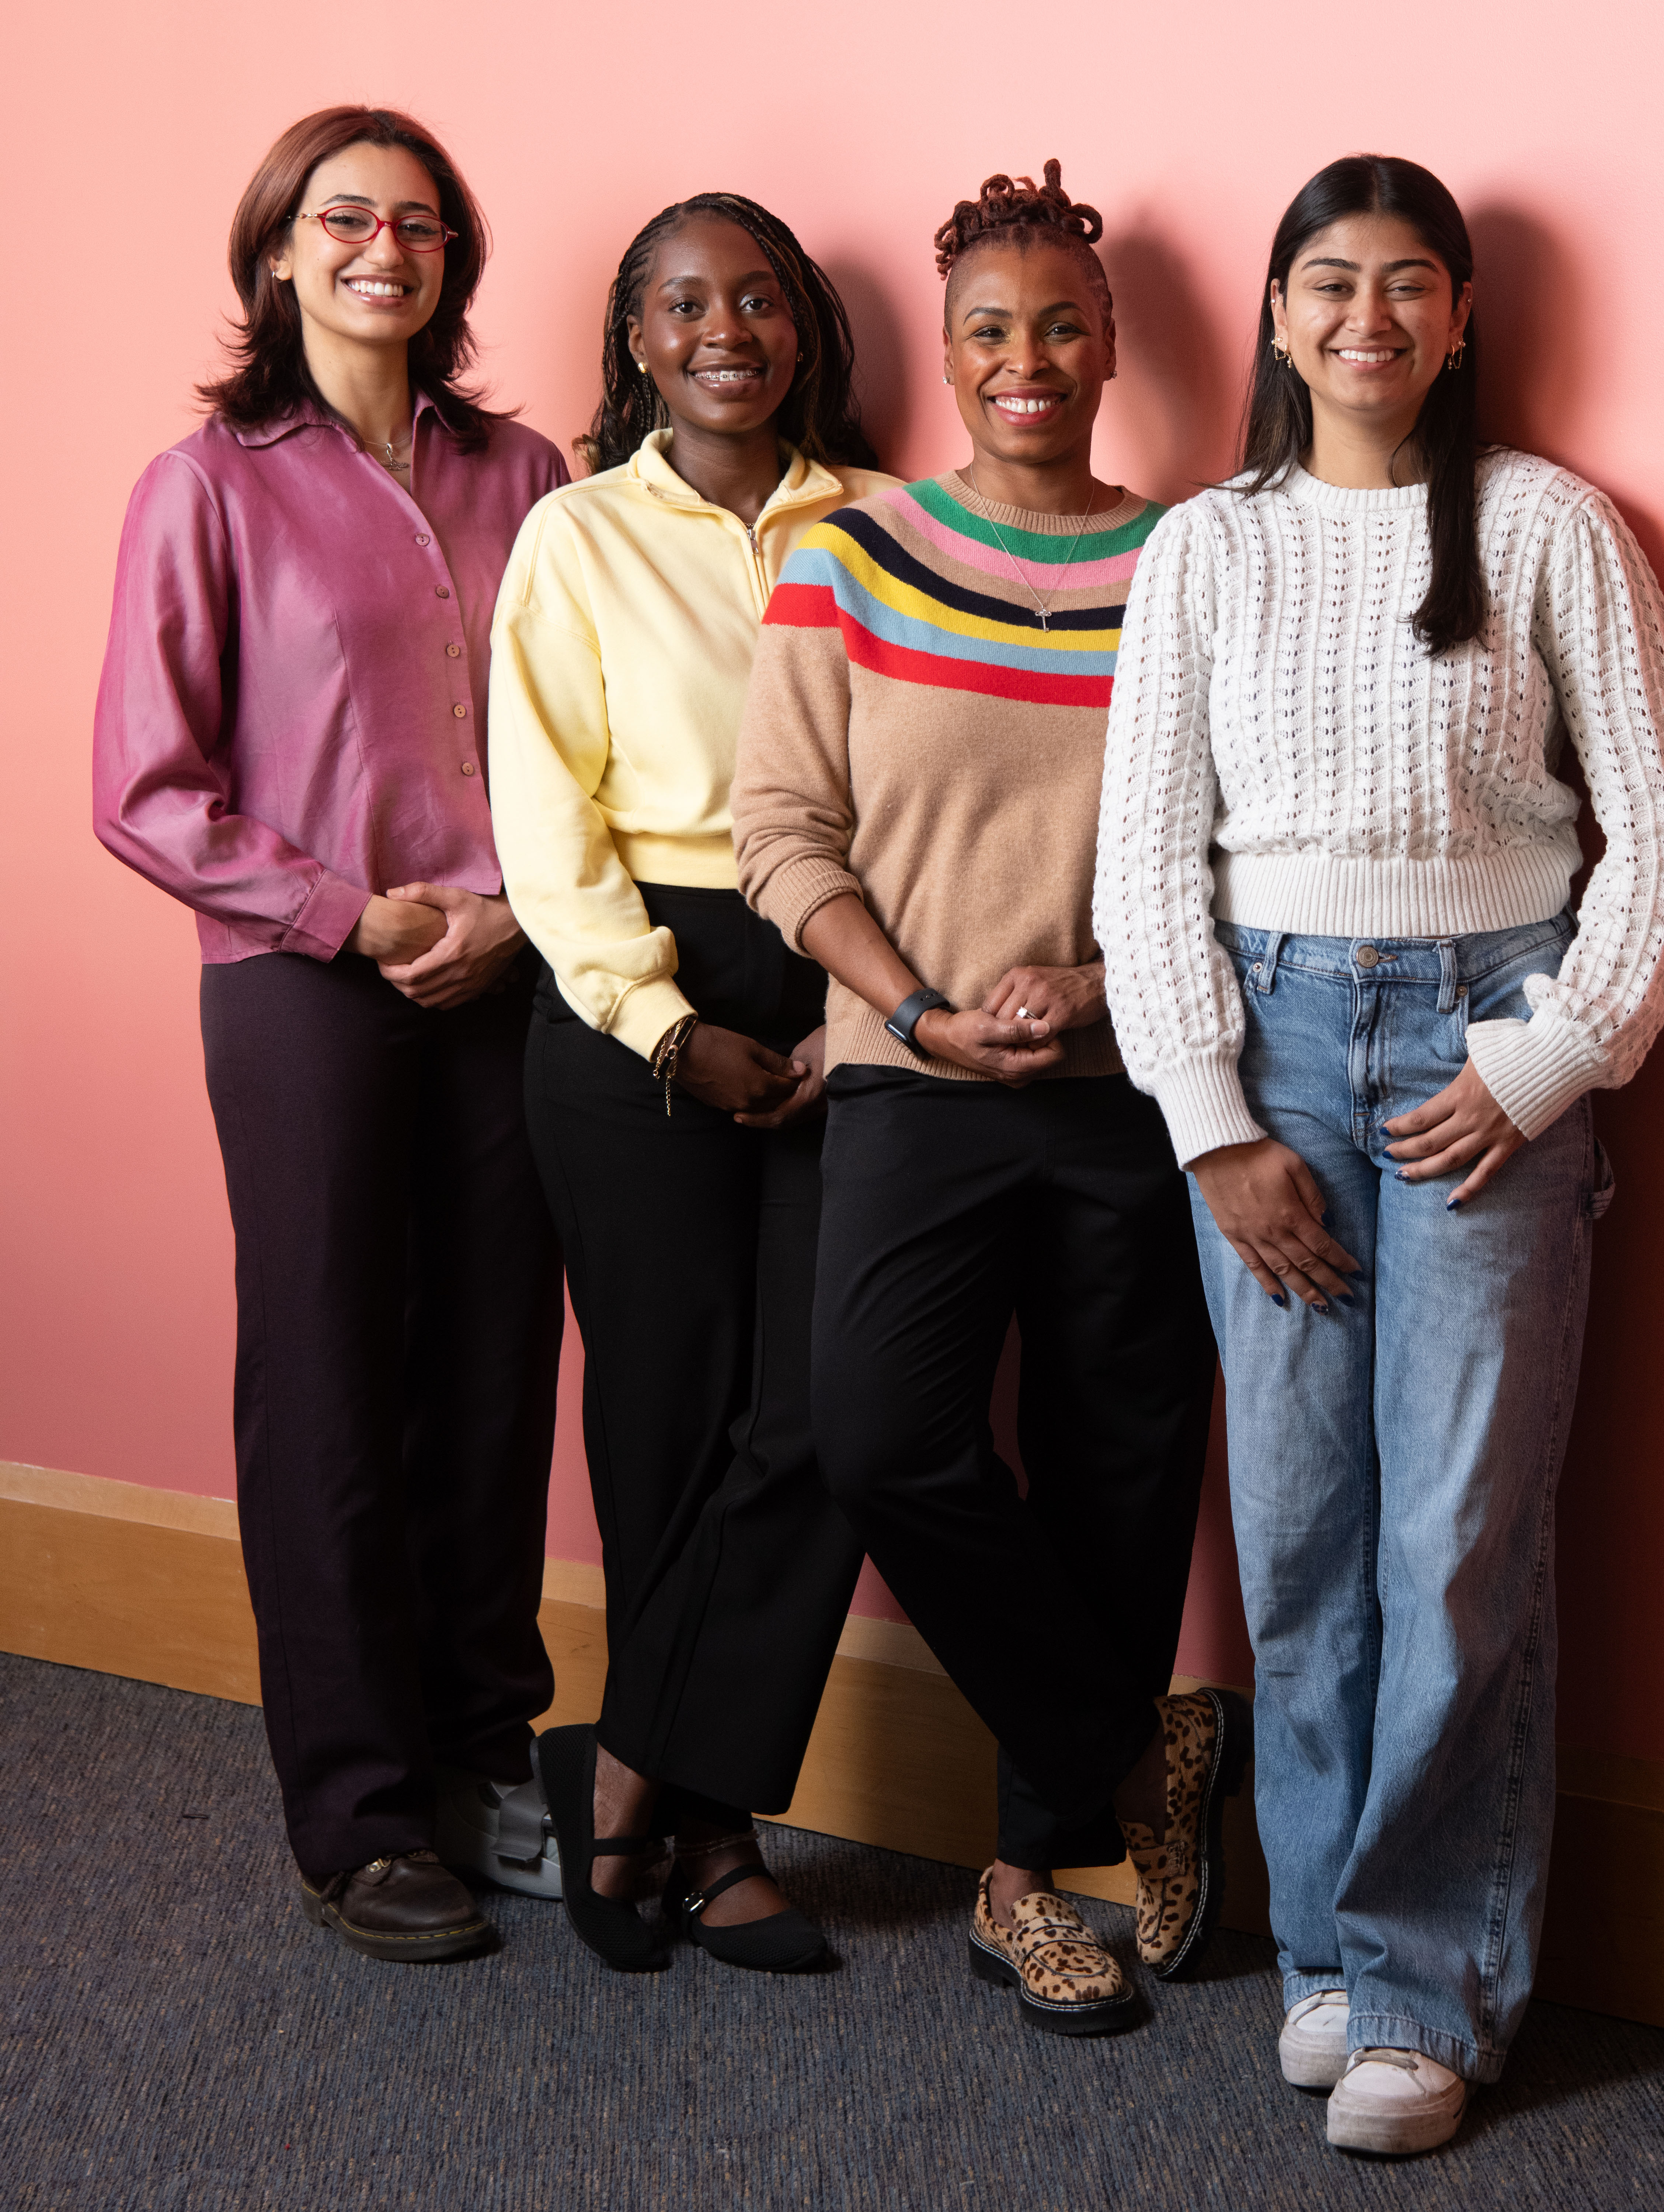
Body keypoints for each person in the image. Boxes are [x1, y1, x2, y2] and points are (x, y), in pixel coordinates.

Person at [1095, 154, 1664, 2148]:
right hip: (1273, 1044)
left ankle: (1428, 1993)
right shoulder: (1208, 546)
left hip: (1486, 1043)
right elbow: (1145, 860)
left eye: (1409, 287)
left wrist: (1552, 1062)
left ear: (1460, 319)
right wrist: (1213, 1126)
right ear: (1279, 316)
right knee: (1295, 1539)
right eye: (1328, 284)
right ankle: (1328, 1961)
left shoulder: (1549, 527)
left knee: (1455, 1541)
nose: (1367, 319)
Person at [733, 162, 1240, 2038]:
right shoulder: (845, 551)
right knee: (885, 1441)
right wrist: (925, 1010)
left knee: (1121, 1477)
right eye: (986, 333)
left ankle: (1024, 1885)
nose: (1025, 360)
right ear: (943, 356)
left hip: (1136, 1082)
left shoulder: (1194, 558)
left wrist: (1102, 990)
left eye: (1059, 327)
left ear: (1113, 345)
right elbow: (779, 836)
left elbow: (1231, 847)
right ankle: (1140, 1756)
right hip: (910, 1079)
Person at [93, 106, 571, 1960]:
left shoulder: (523, 472)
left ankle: (478, 1748)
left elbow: (574, 750)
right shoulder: (204, 482)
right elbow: (147, 785)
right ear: (278, 251)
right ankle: (357, 1808)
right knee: (327, 1383)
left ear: (453, 263)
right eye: (344, 217)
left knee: (492, 1377)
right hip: (305, 988)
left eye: (422, 224)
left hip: (505, 975)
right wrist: (340, 913)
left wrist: (512, 918)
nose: (386, 246)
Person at [488, 195, 892, 1974]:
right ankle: (718, 1836)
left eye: (754, 296)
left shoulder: (887, 524)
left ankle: (633, 1763)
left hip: (851, 975)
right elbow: (542, 819)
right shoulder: (573, 536)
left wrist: (865, 1008)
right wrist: (660, 1025)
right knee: (662, 1419)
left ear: (800, 327)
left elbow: (941, 768)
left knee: (823, 1404)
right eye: (679, 302)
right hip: (630, 994)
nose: (721, 324)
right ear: (635, 343)